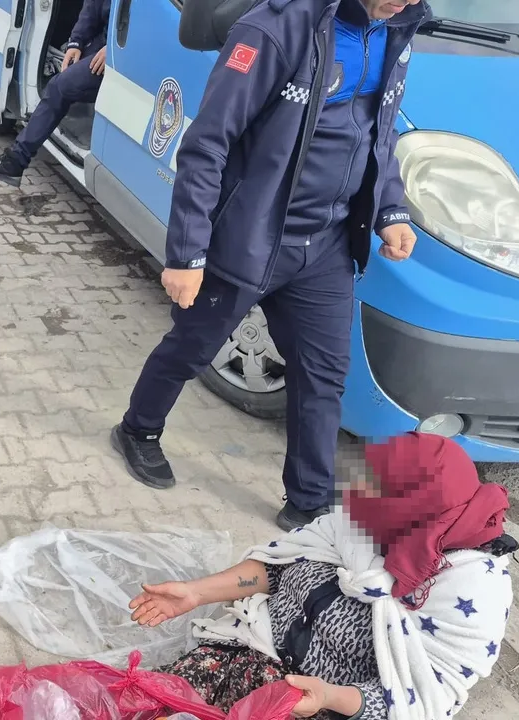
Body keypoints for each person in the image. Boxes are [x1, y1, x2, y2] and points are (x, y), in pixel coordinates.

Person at [109, 0, 430, 531]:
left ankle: (309, 505)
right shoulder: (273, 30)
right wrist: (187, 252)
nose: (407, 0)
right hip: (253, 236)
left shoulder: (396, 32)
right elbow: (207, 144)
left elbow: (379, 133)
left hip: (326, 244)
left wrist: (390, 209)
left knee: (323, 376)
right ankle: (137, 430)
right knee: (191, 348)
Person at [128, 432, 516, 720]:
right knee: (141, 703)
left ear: (415, 517)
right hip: (244, 654)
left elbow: (419, 700)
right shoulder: (362, 521)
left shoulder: (472, 591)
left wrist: (330, 696)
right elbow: (280, 567)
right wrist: (196, 592)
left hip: (312, 707)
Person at [0, 0, 111, 186]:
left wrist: (114, 50)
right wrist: (76, 42)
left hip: (125, 51)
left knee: (58, 87)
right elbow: (93, 6)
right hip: (106, 41)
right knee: (64, 70)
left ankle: (15, 161)